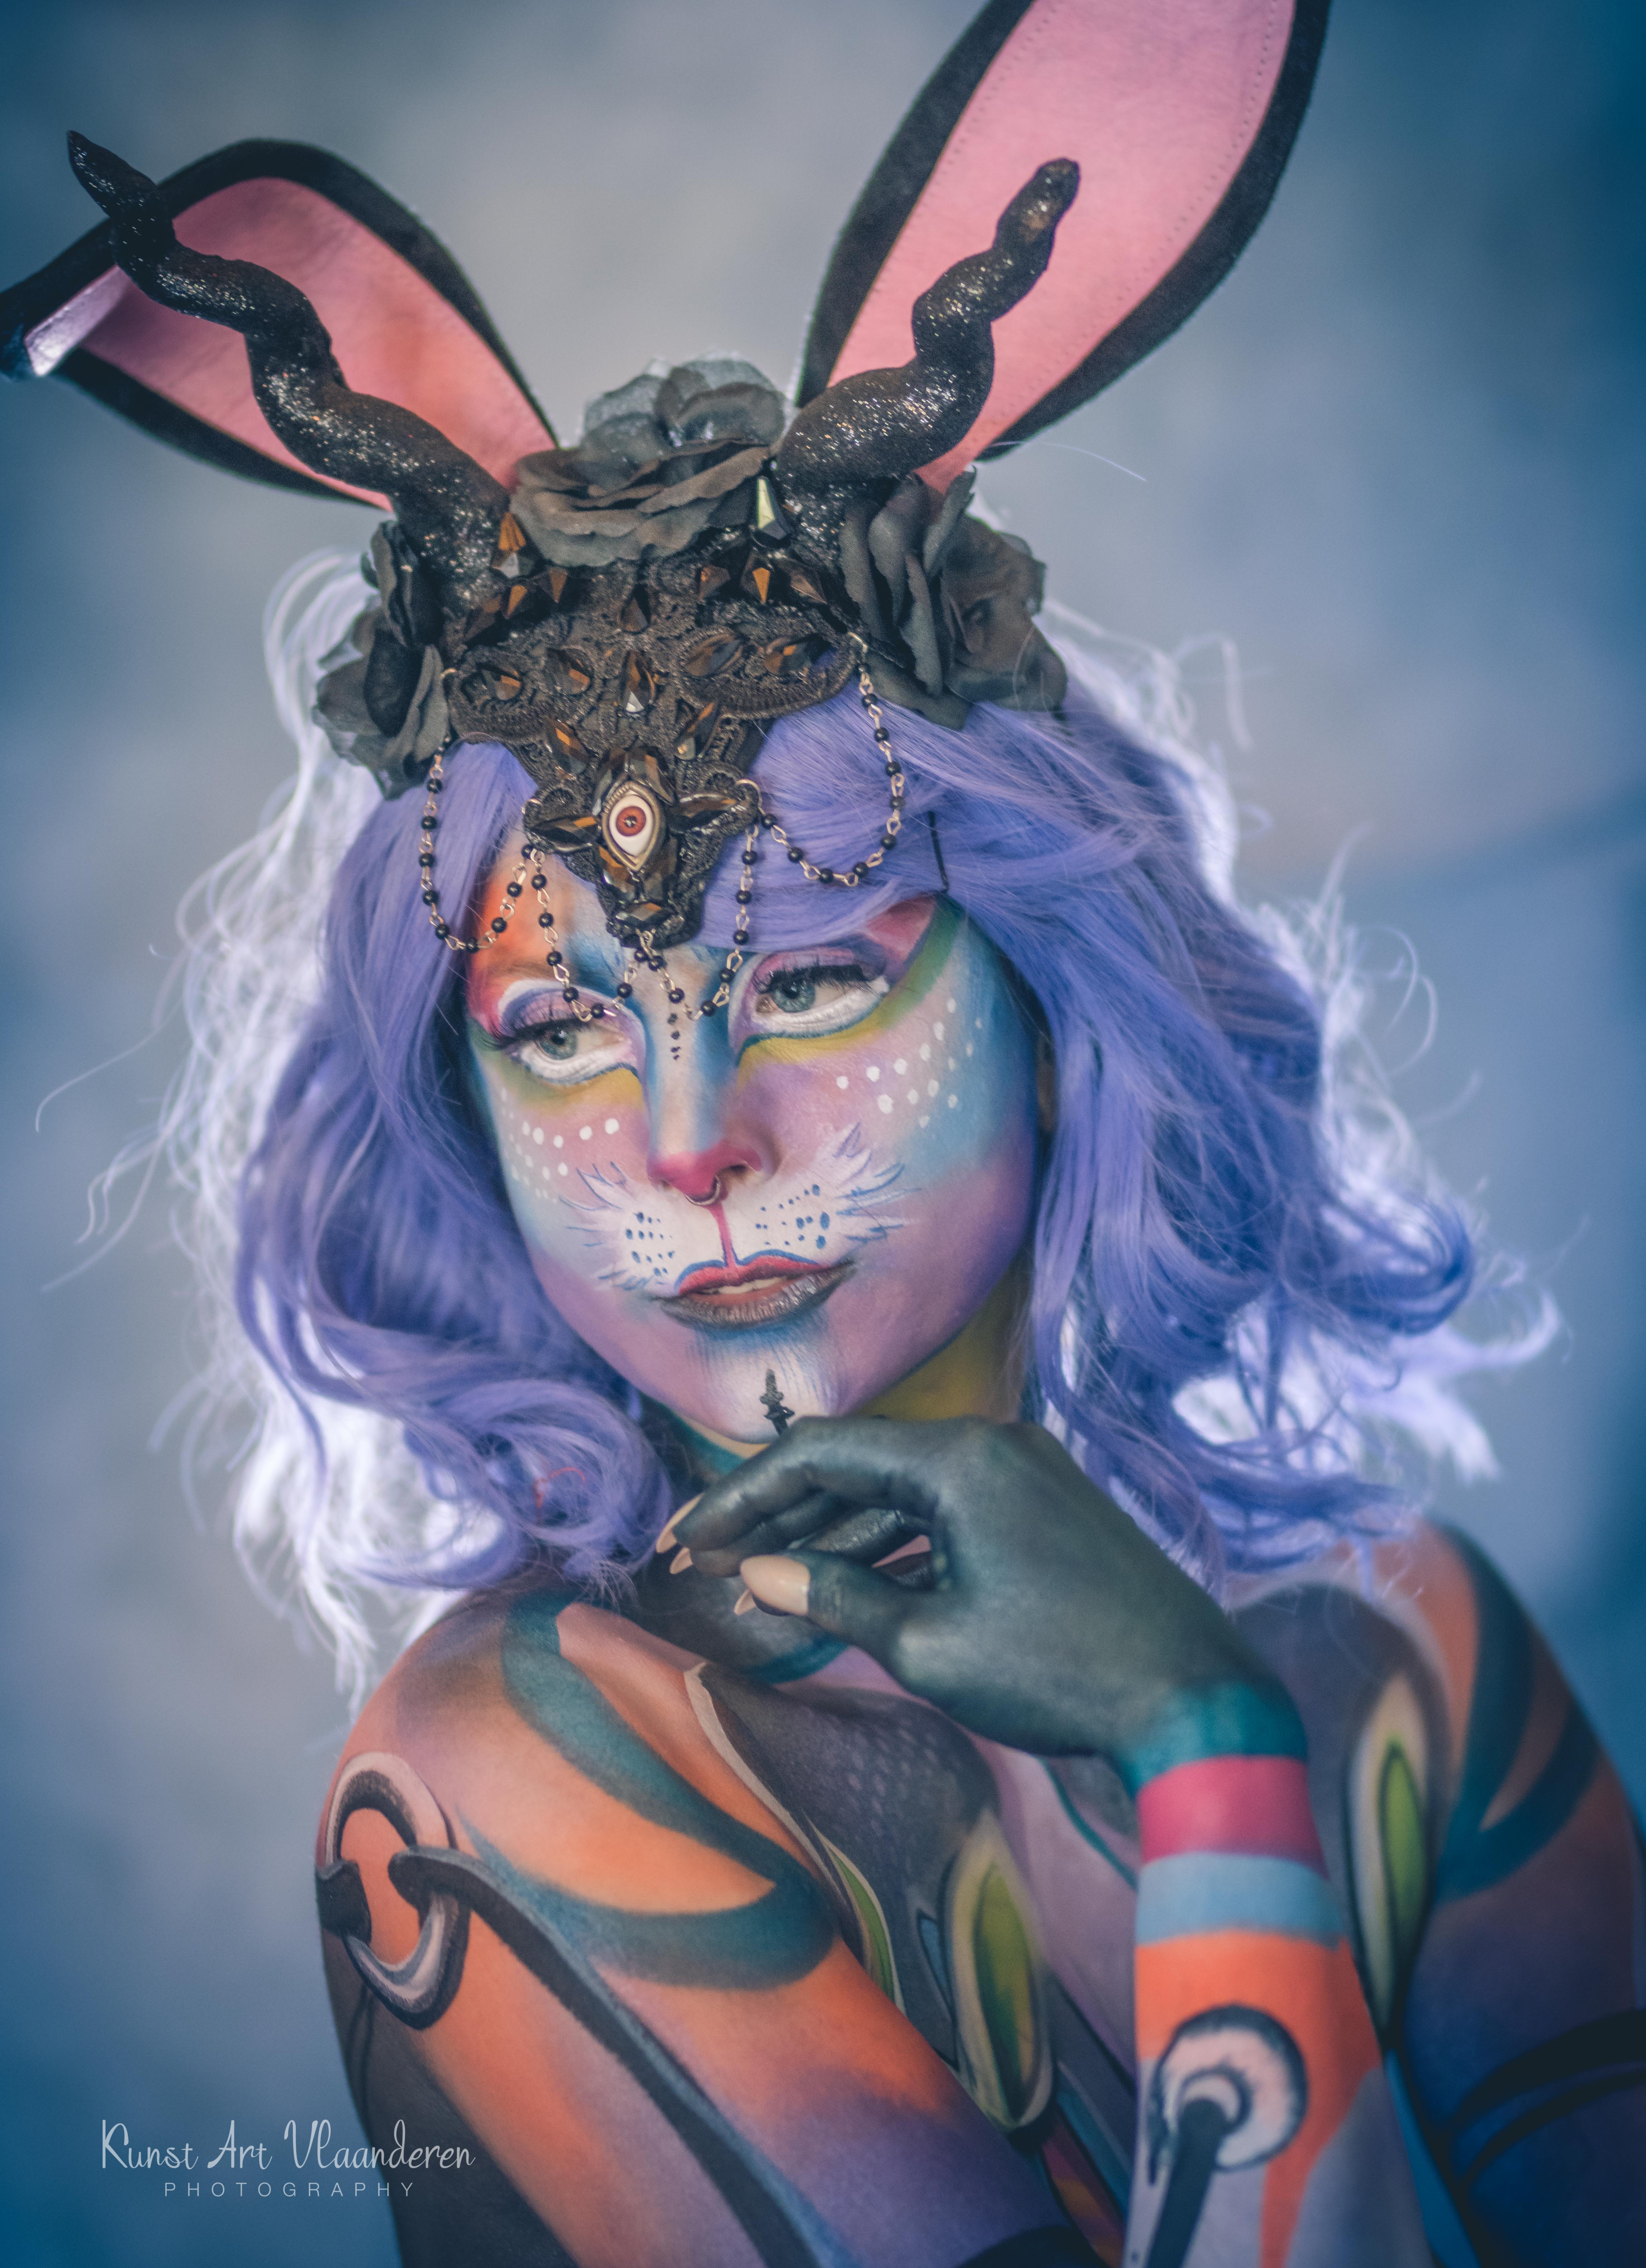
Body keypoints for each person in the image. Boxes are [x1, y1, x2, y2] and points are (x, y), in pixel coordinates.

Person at [5, 5, 1640, 2262]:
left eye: (805, 984)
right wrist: (1200, 1747)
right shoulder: (500, 1781)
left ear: (1062, 1010)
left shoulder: (1413, 1649)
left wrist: (1232, 1699)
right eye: (566, 1026)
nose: (694, 1142)